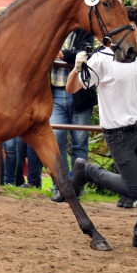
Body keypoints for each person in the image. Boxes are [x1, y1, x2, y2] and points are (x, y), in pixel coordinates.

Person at [66, 6, 137, 252]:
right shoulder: (102, 58)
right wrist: (77, 68)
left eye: (130, 28)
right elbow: (71, 89)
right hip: (117, 134)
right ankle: (86, 170)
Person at [49, 29, 97, 202]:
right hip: (54, 93)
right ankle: (61, 187)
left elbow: (85, 55)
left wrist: (61, 54)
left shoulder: (84, 32)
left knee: (79, 140)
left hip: (79, 93)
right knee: (56, 138)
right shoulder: (52, 29)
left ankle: (76, 187)